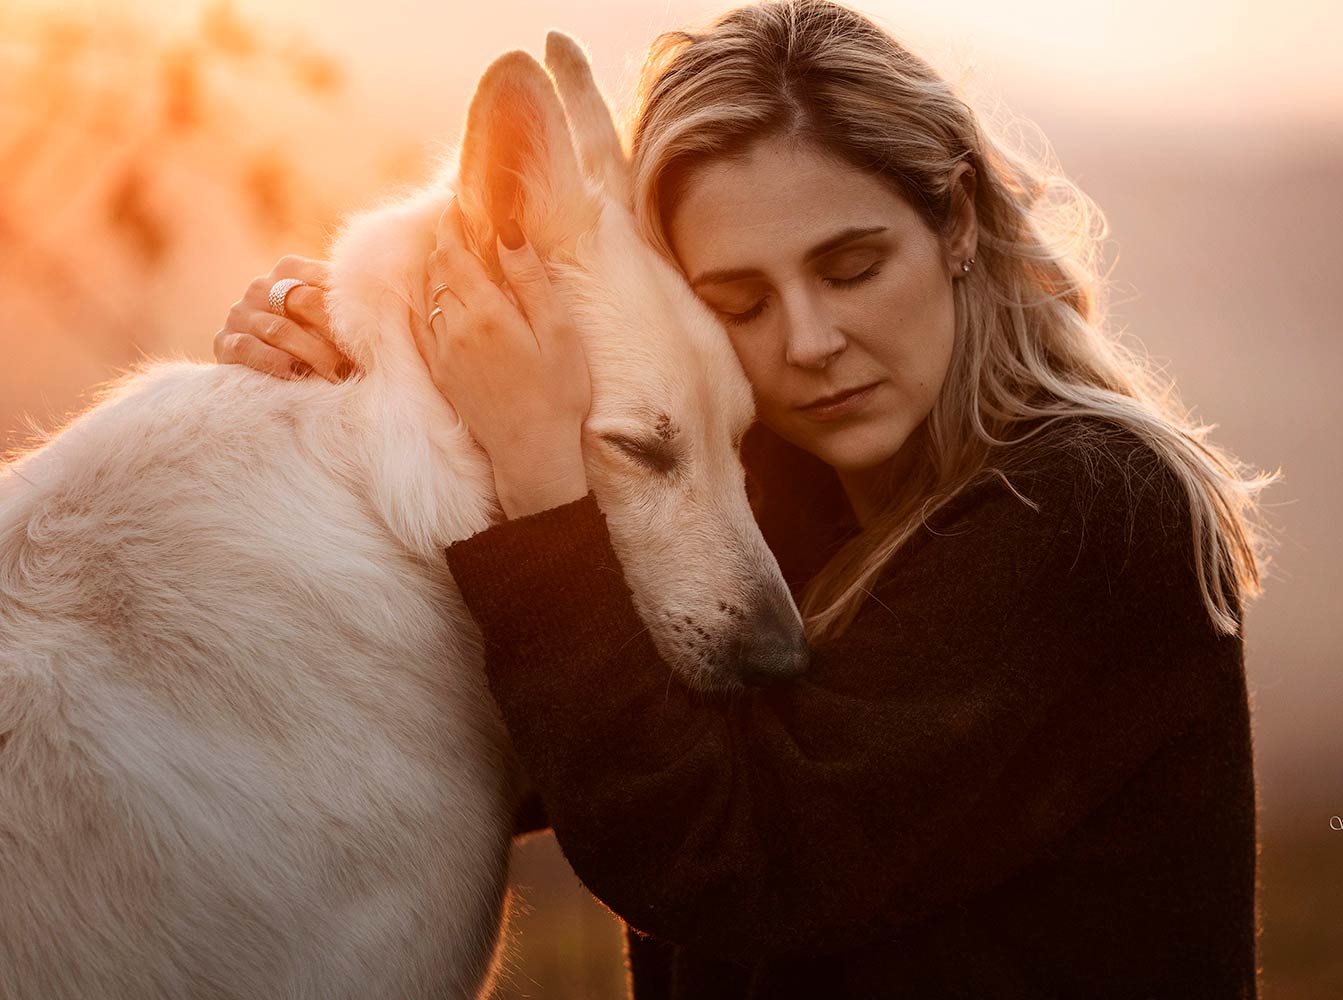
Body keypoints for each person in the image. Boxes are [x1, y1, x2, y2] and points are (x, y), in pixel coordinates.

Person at [213, 1, 1278, 996]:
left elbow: (738, 864)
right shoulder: (775, 484)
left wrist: (545, 481)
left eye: (853, 266)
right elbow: (549, 735)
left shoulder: (1096, 505)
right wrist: (362, 357)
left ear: (955, 221)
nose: (809, 343)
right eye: (740, 300)